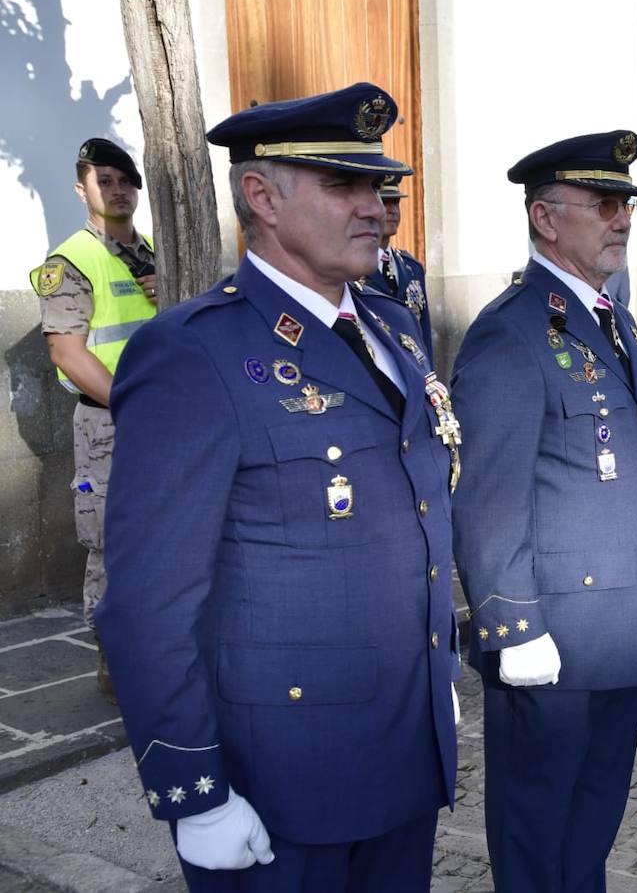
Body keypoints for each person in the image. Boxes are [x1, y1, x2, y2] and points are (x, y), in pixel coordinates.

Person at [95, 83, 459, 891]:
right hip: (283, 784)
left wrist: (437, 680)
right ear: (259, 194)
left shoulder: (393, 326)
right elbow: (148, 603)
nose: (375, 205)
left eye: (378, 184)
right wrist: (196, 792)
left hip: (403, 747)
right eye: (344, 185)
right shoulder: (195, 354)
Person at [449, 130, 637, 892]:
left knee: (595, 814)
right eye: (605, 203)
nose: (622, 219)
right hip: (553, 637)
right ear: (546, 218)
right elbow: (488, 496)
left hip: (620, 627)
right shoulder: (512, 332)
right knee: (537, 821)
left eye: (627, 205)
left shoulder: (611, 319)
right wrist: (512, 625)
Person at [29, 138, 156, 701]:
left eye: (126, 178)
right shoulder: (71, 262)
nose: (118, 188)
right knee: (111, 541)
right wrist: (135, 407)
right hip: (111, 423)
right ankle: (115, 659)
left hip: (168, 422)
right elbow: (67, 353)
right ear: (81, 189)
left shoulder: (156, 252)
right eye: (105, 179)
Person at [358, 173, 432, 354]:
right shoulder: (352, 270)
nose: (393, 211)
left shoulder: (412, 268)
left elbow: (424, 335)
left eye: (396, 203)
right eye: (386, 202)